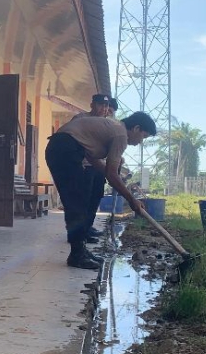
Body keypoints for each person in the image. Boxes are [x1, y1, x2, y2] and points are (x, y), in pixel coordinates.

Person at [45, 111, 157, 270]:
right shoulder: (121, 135)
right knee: (77, 202)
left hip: (62, 147)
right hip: (65, 148)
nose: (140, 142)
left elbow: (92, 158)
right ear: (136, 128)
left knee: (79, 201)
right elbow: (111, 174)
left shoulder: (113, 128)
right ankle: (77, 255)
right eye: (143, 137)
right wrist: (132, 200)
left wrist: (117, 180)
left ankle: (80, 250)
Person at [82, 95, 116, 244]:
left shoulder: (107, 124)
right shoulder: (81, 119)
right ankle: (80, 232)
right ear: (92, 105)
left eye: (106, 106)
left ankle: (87, 229)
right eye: (100, 105)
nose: (104, 108)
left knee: (95, 198)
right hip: (83, 167)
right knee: (84, 200)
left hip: (99, 167)